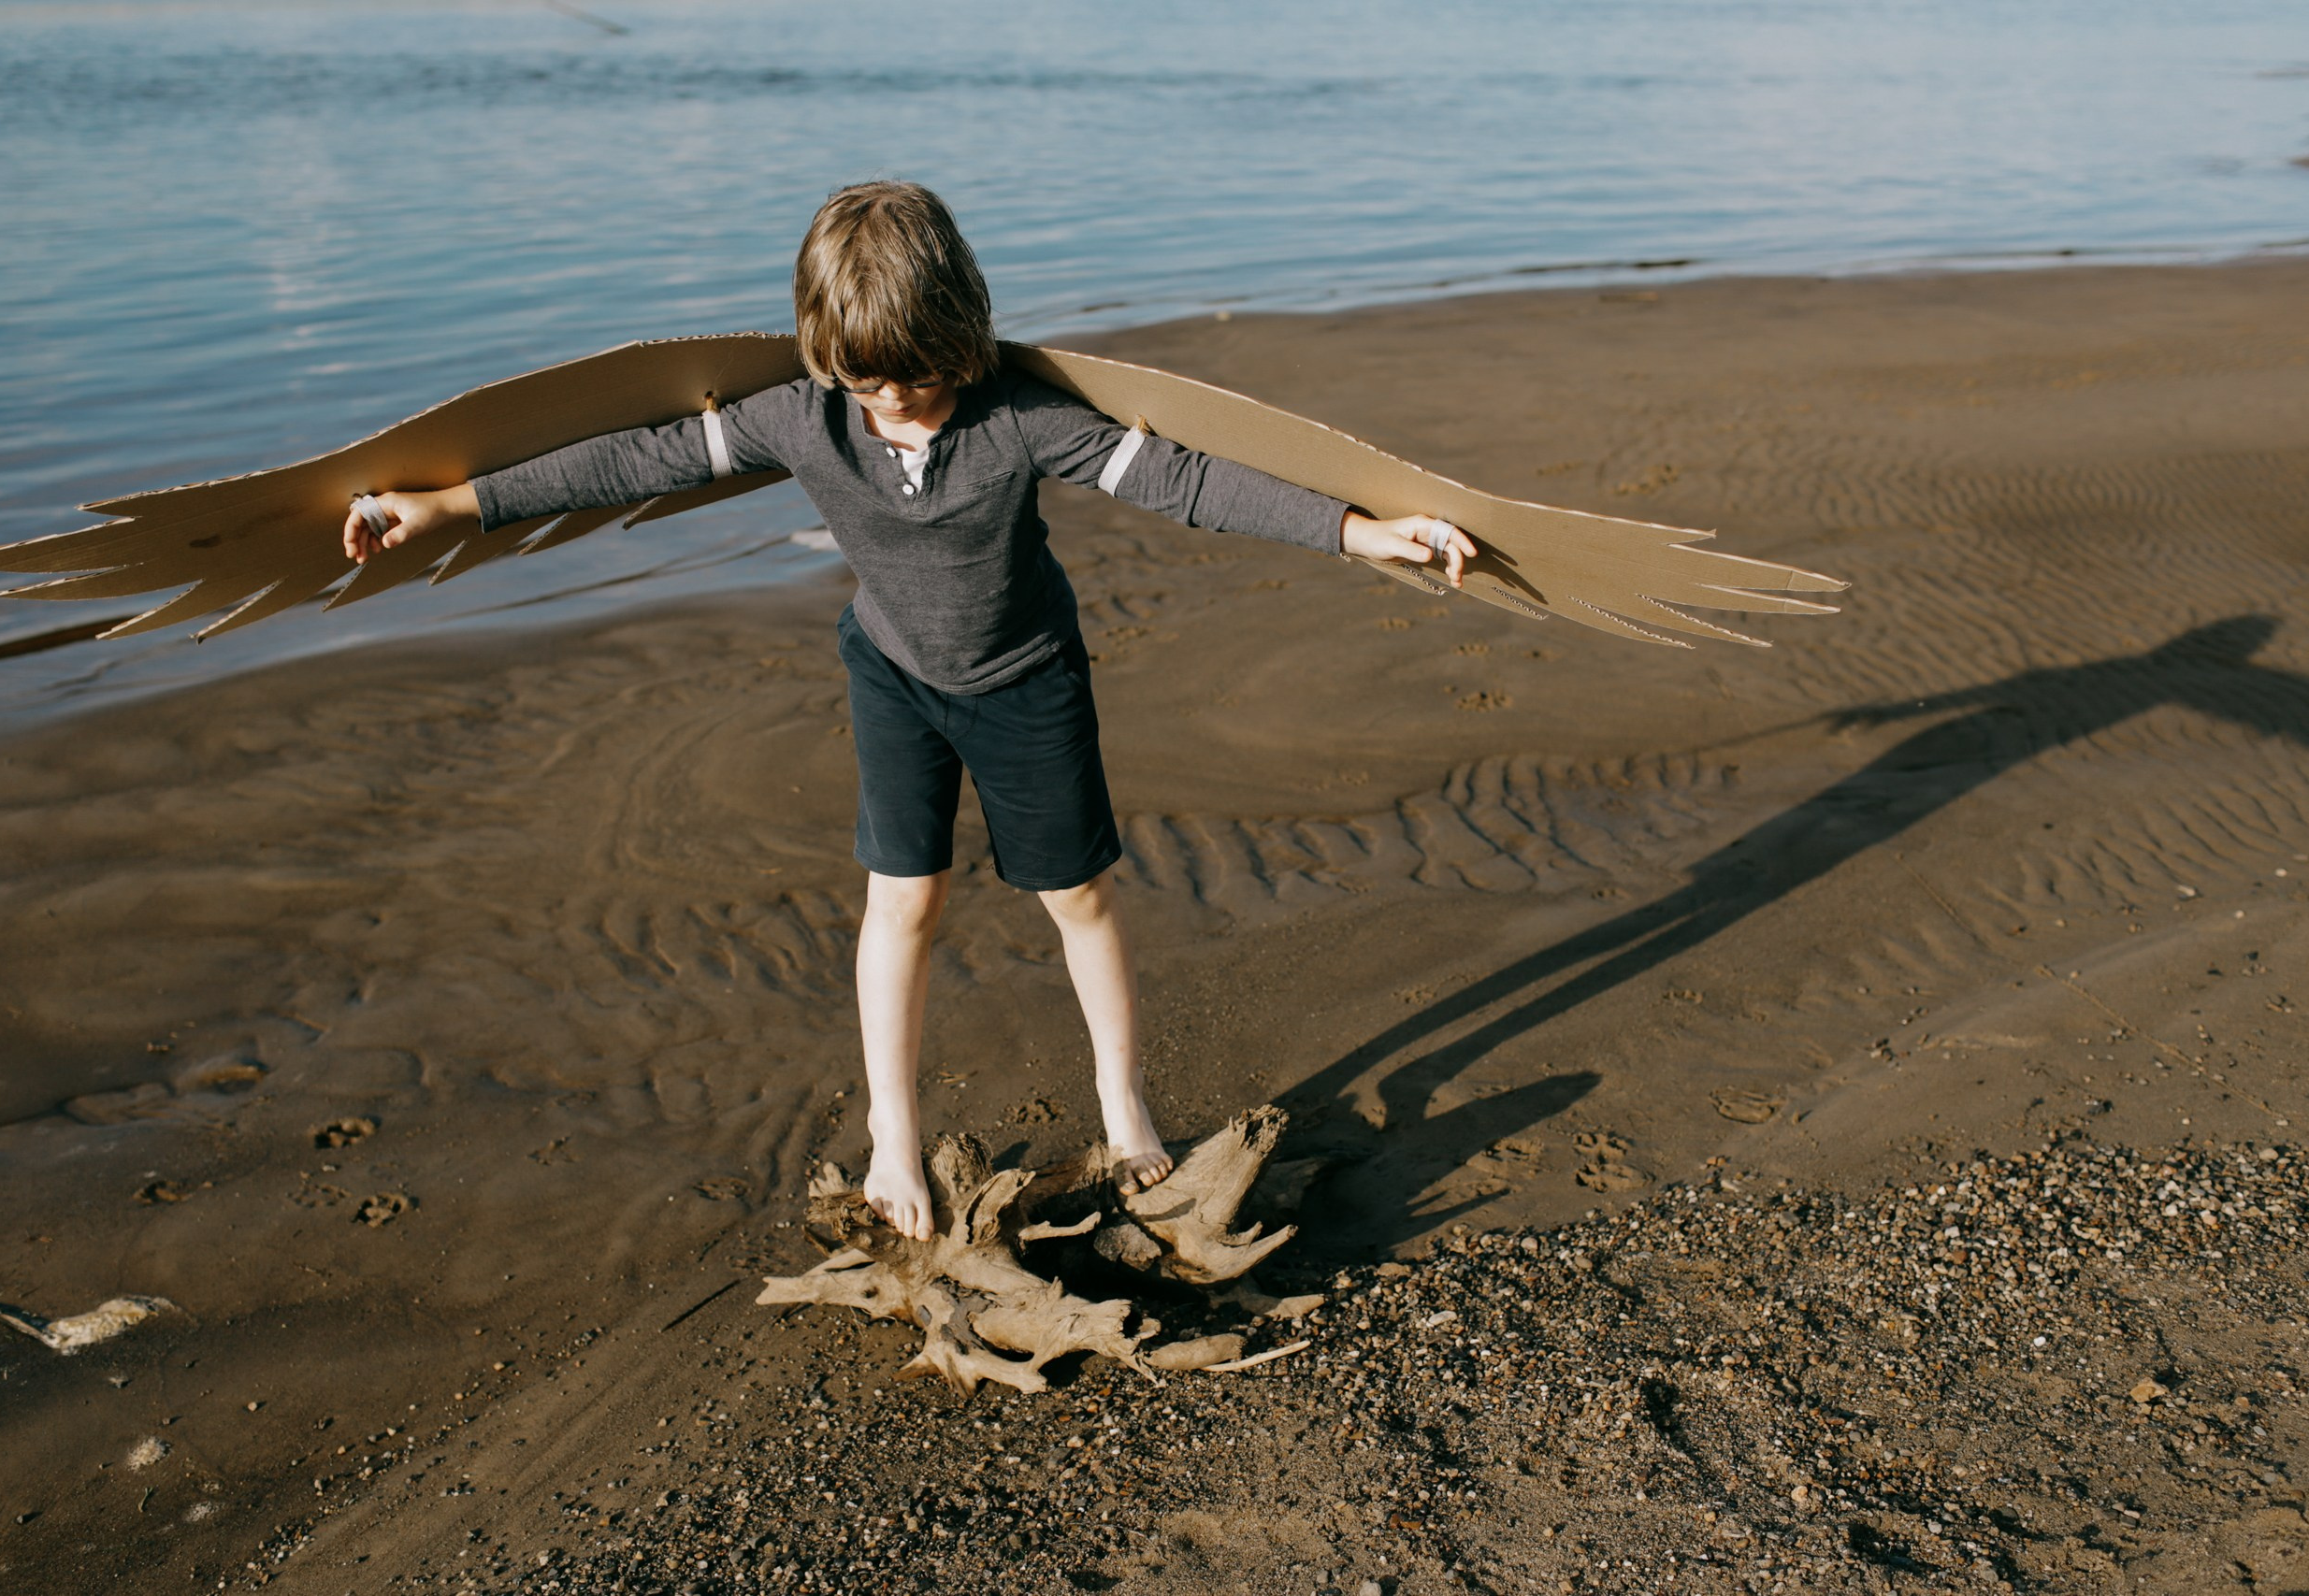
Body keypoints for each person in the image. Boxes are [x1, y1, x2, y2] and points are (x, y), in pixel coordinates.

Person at [342, 180, 1474, 1241]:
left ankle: (1123, 1110)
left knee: (1076, 896)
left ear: (963, 336)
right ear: (823, 355)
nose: (890, 400)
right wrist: (453, 504)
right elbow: (637, 462)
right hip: (892, 676)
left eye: (917, 377)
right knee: (904, 901)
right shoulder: (802, 416)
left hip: (1027, 679)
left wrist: (1357, 530)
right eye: (865, 378)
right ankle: (893, 1133)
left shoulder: (1022, 418)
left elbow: (1185, 478)